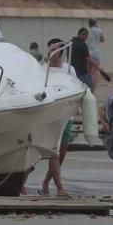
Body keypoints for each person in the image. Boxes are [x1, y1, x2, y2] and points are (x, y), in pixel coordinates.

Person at [41, 39, 72, 197]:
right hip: (49, 117)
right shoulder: (42, 69)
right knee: (53, 151)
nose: (51, 51)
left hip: (66, 116)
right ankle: (60, 187)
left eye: (54, 49)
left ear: (61, 52)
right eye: (49, 48)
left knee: (62, 152)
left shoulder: (69, 69)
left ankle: (47, 181)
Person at [87, 18, 105, 85]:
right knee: (94, 72)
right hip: (96, 53)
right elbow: (103, 40)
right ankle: (93, 87)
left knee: (87, 71)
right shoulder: (99, 30)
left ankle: (87, 85)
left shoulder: (87, 30)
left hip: (88, 52)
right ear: (95, 23)